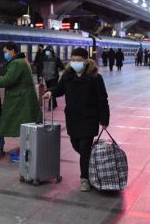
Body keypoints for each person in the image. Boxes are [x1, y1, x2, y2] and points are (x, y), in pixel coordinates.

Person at [43, 47, 109, 192]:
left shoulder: (95, 78)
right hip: (73, 118)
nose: (74, 63)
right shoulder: (67, 76)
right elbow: (59, 89)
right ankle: (92, 164)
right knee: (75, 144)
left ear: (86, 61)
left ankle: (85, 179)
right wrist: (50, 92)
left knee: (85, 148)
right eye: (73, 60)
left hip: (89, 118)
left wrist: (104, 120)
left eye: (78, 60)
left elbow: (102, 99)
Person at [0, 41, 39, 162]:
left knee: (24, 127)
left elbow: (9, 79)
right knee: (25, 127)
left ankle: (24, 155)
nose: (5, 54)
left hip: (21, 100)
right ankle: (24, 152)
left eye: (6, 52)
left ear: (12, 51)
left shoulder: (16, 63)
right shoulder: (22, 61)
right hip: (24, 98)